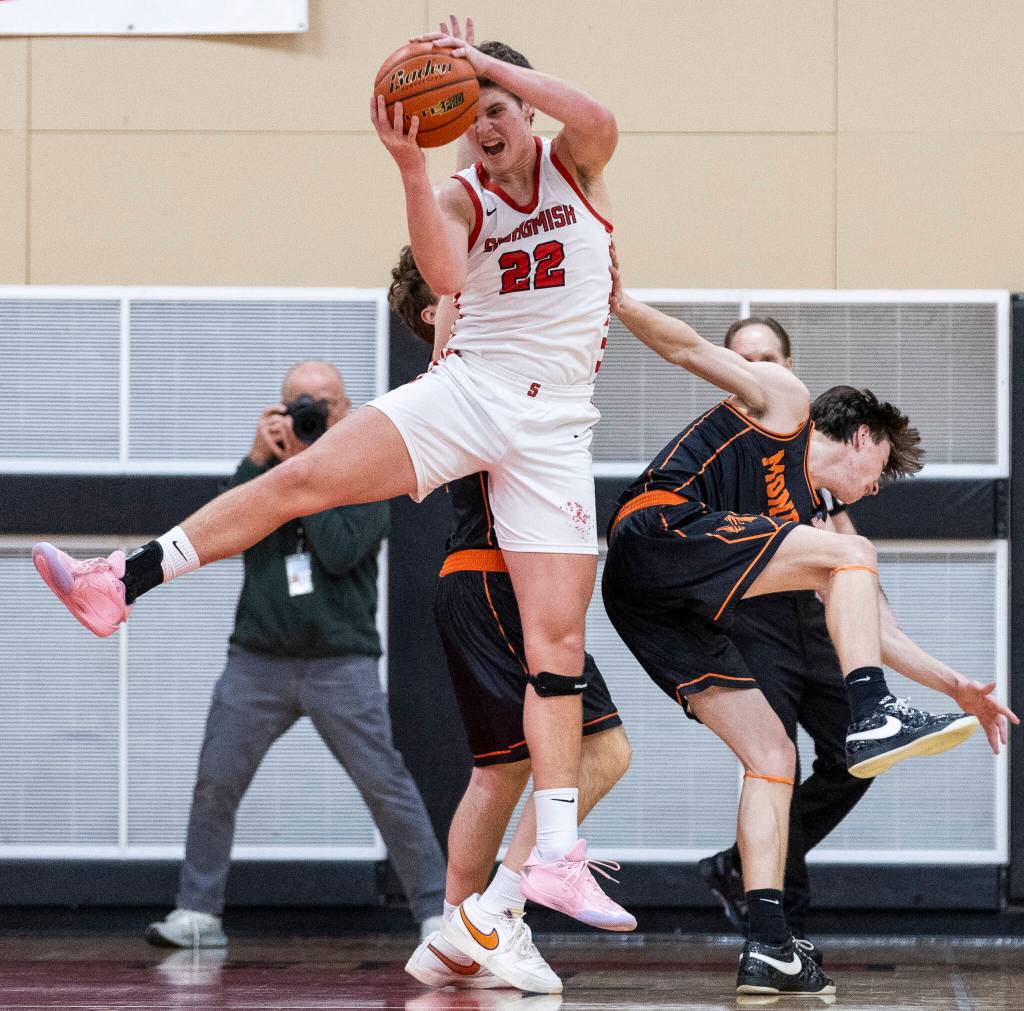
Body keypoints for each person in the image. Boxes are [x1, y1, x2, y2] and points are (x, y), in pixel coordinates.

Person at [30, 15, 632, 942]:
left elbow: (596, 114)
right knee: (300, 481)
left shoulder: (575, 162)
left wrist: (480, 63)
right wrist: (408, 169)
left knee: (557, 644)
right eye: (471, 113)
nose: (484, 125)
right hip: (474, 390)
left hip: (556, 424)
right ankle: (120, 577)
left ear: (524, 108)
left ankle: (556, 854)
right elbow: (442, 273)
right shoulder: (464, 193)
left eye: (497, 108)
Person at [601, 258, 1015, 996]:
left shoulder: (807, 518)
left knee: (772, 755)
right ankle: (873, 713)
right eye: (880, 468)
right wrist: (621, 302)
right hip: (657, 526)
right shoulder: (787, 403)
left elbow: (875, 624)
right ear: (860, 436)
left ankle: (768, 944)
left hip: (654, 605)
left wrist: (956, 687)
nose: (877, 486)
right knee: (853, 555)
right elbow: (689, 349)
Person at [698, 317, 1020, 946]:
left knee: (859, 755)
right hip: (752, 621)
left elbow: (866, 595)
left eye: (767, 358)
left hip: (813, 624)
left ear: (790, 369)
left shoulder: (819, 465)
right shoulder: (723, 451)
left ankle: (739, 866)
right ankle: (779, 926)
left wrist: (952, 683)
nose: (755, 370)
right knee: (775, 763)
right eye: (742, 359)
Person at [388, 246, 632, 995]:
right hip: (501, 583)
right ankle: (494, 913)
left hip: (478, 582)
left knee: (499, 771)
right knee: (602, 750)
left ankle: (454, 934)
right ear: (439, 309)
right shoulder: (463, 371)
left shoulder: (482, 372)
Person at [143, 360, 446, 948]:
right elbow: (222, 532)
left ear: (345, 411)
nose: (310, 415)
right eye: (298, 405)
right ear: (280, 411)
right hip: (257, 661)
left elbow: (338, 552)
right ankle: (197, 914)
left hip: (342, 665)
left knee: (387, 786)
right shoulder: (264, 474)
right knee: (215, 781)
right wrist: (259, 461)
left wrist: (304, 473)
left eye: (321, 405)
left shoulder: (369, 477)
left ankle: (437, 914)